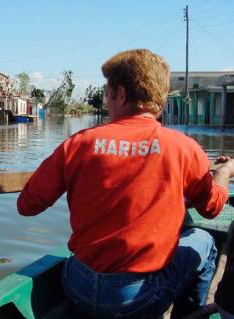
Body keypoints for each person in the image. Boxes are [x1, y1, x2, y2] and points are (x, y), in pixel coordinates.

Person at [17, 49, 234, 319]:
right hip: (139, 298)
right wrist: (223, 175)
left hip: (78, 287)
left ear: (120, 94)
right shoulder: (185, 149)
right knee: (202, 240)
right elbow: (212, 208)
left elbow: (26, 206)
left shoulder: (78, 144)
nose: (107, 101)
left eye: (107, 93)